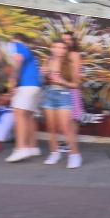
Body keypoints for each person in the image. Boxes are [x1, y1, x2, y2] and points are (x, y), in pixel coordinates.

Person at [40, 39, 82, 168]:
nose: (59, 50)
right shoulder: (48, 61)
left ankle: (74, 155)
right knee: (51, 128)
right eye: (56, 47)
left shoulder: (70, 63)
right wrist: (43, 74)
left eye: (62, 47)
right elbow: (42, 80)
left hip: (64, 95)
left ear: (65, 50)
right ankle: (54, 152)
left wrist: (62, 81)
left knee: (65, 128)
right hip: (49, 94)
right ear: (52, 48)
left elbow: (76, 84)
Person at [5, 33, 42, 162]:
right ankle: (33, 147)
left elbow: (18, 59)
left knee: (19, 114)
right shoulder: (29, 51)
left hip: (25, 85)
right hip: (35, 86)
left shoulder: (15, 45)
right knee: (28, 116)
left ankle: (21, 148)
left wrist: (13, 80)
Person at [58, 31, 84, 152]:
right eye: (64, 39)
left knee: (72, 118)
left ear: (73, 42)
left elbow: (76, 74)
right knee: (67, 118)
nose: (66, 42)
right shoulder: (62, 54)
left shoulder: (74, 54)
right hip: (63, 88)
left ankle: (69, 143)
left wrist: (72, 85)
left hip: (72, 88)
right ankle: (68, 141)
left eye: (69, 39)